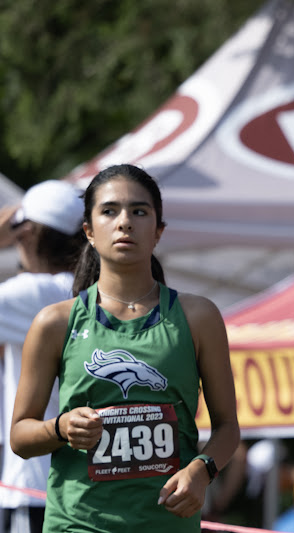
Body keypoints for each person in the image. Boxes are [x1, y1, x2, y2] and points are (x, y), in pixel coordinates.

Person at [8, 164, 240, 532]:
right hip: (76, 523)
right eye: (109, 211)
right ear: (88, 230)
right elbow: (20, 436)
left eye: (139, 211)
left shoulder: (198, 317)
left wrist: (202, 469)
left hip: (166, 524)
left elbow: (227, 427)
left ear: (158, 231)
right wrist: (61, 427)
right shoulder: (53, 322)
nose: (125, 222)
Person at [0, 180, 84, 533]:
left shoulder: (33, 294)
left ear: (28, 233)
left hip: (36, 485)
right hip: (88, 487)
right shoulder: (91, 289)